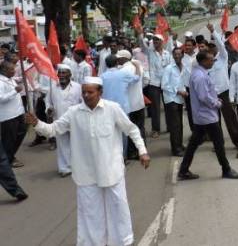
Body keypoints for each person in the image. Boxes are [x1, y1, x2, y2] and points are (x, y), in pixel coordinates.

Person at [26, 76, 150, 245]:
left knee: (118, 208)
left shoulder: (112, 109)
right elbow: (53, 129)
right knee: (91, 212)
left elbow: (132, 130)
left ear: (100, 92)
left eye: (90, 92)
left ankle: (122, 241)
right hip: (86, 174)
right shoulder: (73, 112)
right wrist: (37, 123)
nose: (86, 95)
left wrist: (142, 151)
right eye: (84, 92)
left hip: (111, 170)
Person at [178, 51, 238, 180]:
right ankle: (226, 169)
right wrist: (216, 103)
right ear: (203, 61)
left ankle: (183, 170)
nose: (213, 62)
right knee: (218, 143)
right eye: (211, 60)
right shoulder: (200, 76)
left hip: (202, 116)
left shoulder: (199, 73)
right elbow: (203, 97)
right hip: (206, 116)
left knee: (193, 144)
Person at [207, 24, 238, 151]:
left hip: (224, 93)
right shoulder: (206, 62)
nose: (211, 49)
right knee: (215, 122)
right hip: (212, 95)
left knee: (231, 119)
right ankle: (218, 144)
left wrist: (213, 31)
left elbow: (222, 46)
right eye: (209, 48)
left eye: (213, 47)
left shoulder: (222, 57)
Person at [45, 64, 83, 177]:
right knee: (62, 145)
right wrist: (49, 109)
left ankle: (78, 166)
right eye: (59, 73)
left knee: (76, 144)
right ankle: (64, 168)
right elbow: (48, 102)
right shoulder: (52, 87)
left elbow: (83, 102)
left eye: (64, 72)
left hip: (75, 121)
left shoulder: (77, 87)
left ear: (70, 75)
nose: (61, 75)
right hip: (59, 120)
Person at [138, 32, 171, 138]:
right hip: (154, 84)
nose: (156, 42)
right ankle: (155, 129)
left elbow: (170, 68)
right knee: (155, 108)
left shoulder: (167, 54)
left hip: (166, 83)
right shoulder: (149, 52)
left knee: (168, 105)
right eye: (154, 40)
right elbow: (142, 45)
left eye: (158, 40)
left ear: (162, 42)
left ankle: (170, 127)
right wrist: (140, 35)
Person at [117, 50, 147, 160]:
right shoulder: (138, 66)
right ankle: (142, 150)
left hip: (129, 105)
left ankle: (133, 152)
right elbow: (143, 82)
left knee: (130, 129)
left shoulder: (123, 70)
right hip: (139, 102)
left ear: (124, 58)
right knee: (140, 128)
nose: (117, 60)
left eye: (119, 58)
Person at [0, 60, 26, 168]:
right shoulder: (0, 82)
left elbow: (16, 79)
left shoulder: (9, 79)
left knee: (21, 133)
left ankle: (9, 156)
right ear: (4, 70)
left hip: (18, 113)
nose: (14, 71)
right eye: (11, 69)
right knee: (9, 139)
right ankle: (7, 161)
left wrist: (23, 77)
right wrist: (14, 91)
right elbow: (1, 98)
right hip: (8, 116)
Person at [162, 47, 188, 157]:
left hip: (179, 100)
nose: (177, 56)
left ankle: (179, 145)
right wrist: (178, 92)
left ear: (182, 55)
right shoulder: (169, 68)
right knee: (174, 125)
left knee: (179, 125)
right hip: (171, 99)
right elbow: (164, 85)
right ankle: (176, 149)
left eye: (179, 54)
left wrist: (184, 92)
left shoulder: (184, 67)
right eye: (175, 54)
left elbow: (183, 83)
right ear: (173, 56)